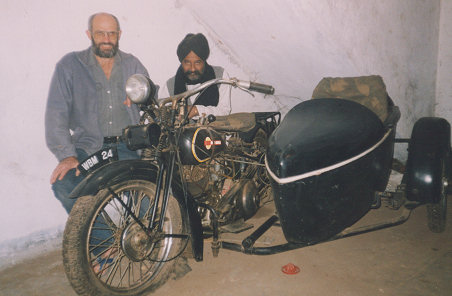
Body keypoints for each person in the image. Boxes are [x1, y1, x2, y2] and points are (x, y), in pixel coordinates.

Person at [45, 12, 150, 213]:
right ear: (89, 34)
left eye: (112, 34)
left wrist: (142, 94)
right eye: (100, 34)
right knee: (65, 186)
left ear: (119, 34)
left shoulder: (132, 64)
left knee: (147, 195)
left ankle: (141, 241)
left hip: (127, 147)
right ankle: (104, 243)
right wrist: (67, 156)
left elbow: (149, 92)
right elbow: (55, 116)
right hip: (89, 149)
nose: (107, 40)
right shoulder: (70, 65)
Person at [159, 33, 250, 119]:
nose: (193, 69)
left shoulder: (220, 76)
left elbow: (224, 111)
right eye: (187, 63)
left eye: (197, 62)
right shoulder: (169, 85)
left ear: (204, 60)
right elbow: (163, 116)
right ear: (181, 62)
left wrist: (196, 110)